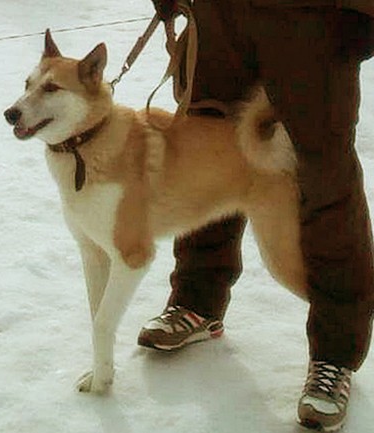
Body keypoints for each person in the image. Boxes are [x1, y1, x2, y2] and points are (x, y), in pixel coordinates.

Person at [138, 0, 374, 431]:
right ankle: (197, 300)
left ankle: (335, 352)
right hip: (219, 16)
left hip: (312, 18)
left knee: (324, 178)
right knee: (207, 151)